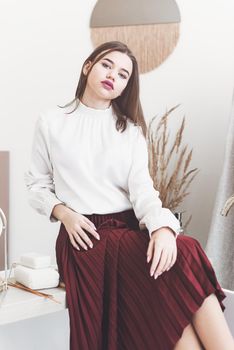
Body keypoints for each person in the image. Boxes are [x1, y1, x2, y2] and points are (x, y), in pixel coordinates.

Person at [24, 41, 234, 350]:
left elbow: (143, 192)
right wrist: (64, 213)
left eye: (123, 74)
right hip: (85, 238)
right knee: (181, 269)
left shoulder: (130, 131)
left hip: (126, 233)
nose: (113, 75)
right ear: (88, 66)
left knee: (182, 252)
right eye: (107, 65)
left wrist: (162, 228)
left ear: (125, 87)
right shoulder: (51, 122)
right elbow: (36, 185)